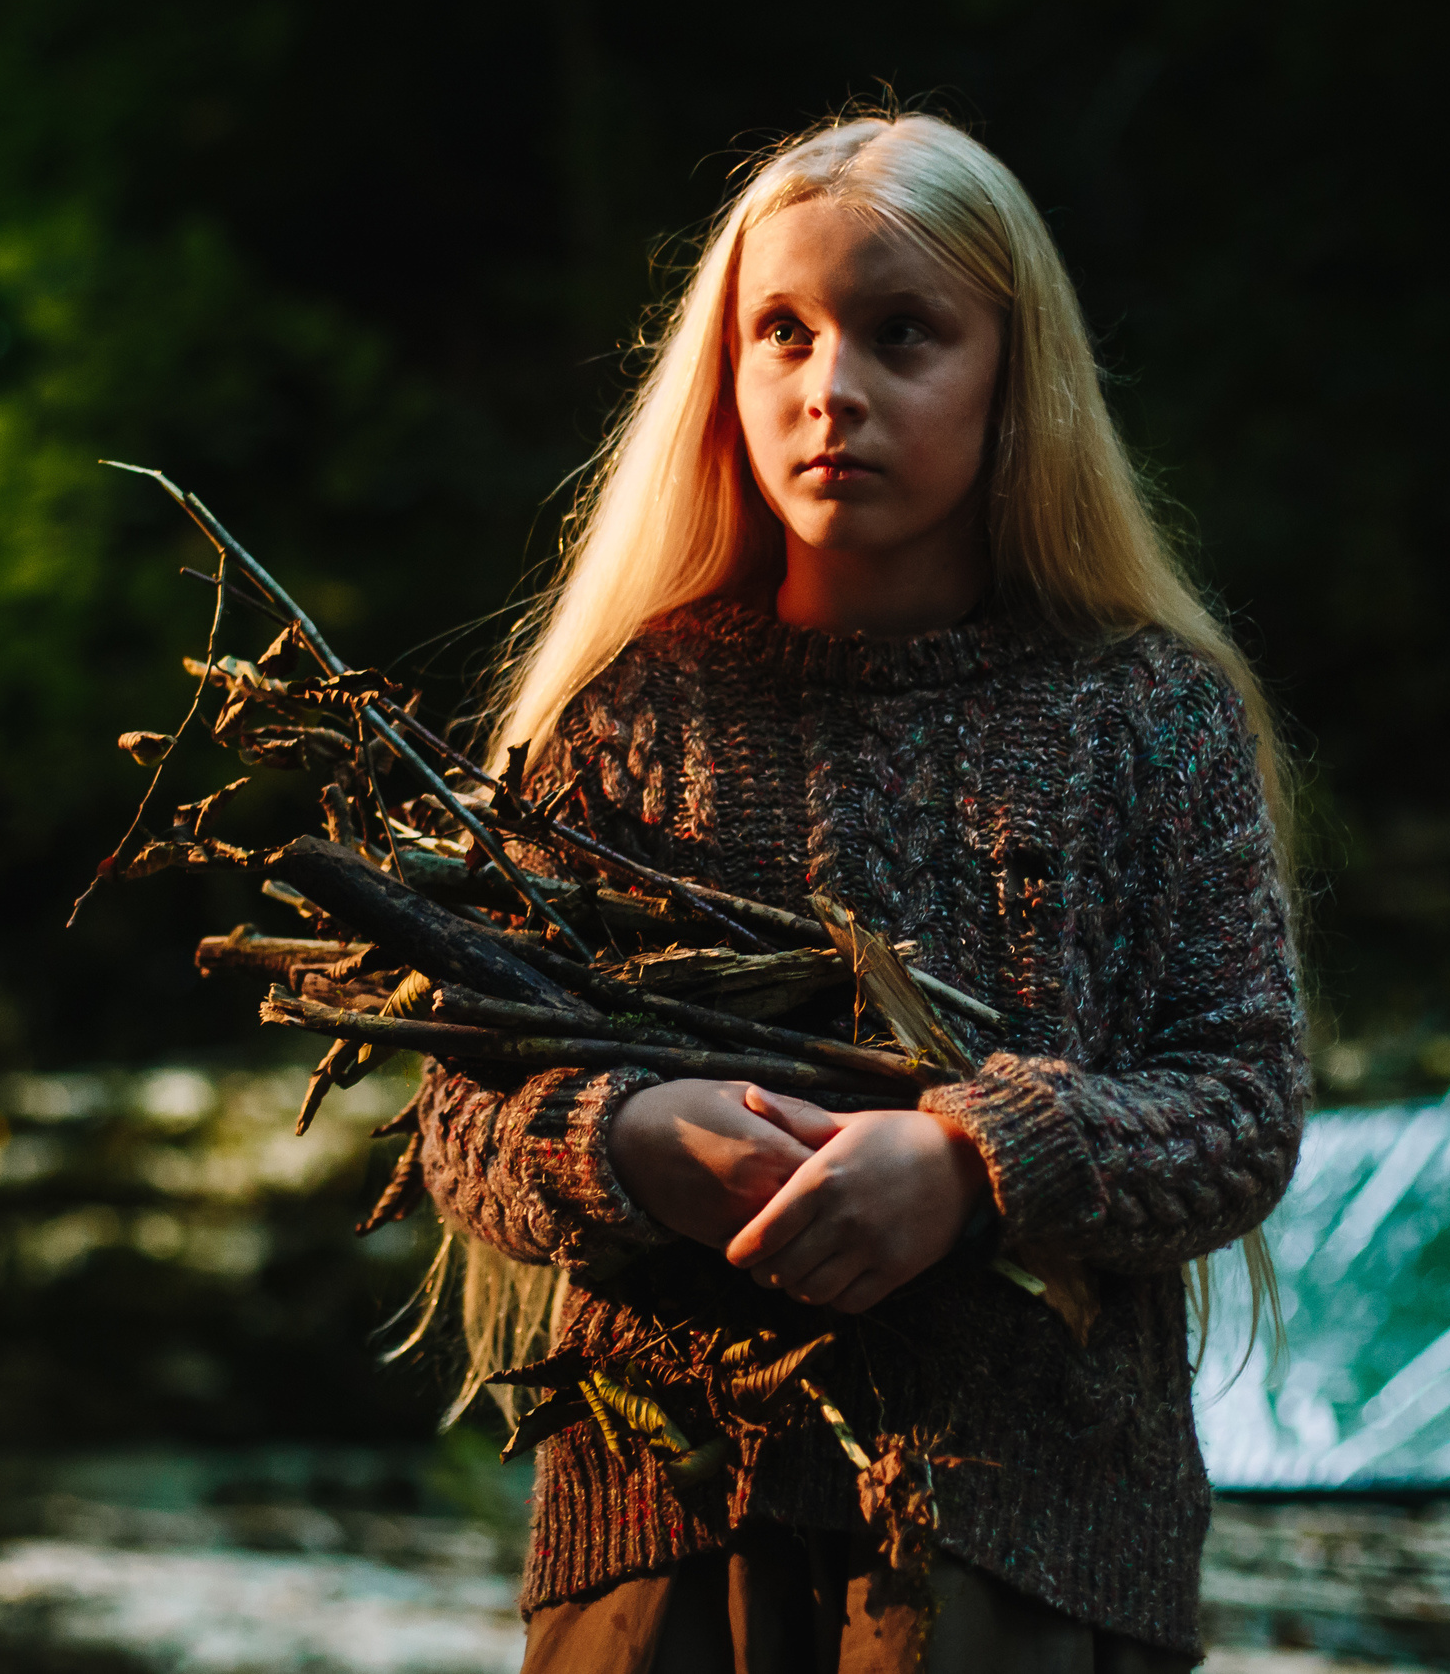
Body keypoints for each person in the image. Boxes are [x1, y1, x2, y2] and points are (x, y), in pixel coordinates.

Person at [403, 111, 1309, 1673]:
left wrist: (973, 1162)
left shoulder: (1148, 718)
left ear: (1017, 374)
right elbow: (468, 1114)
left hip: (1028, 1543)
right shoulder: (627, 719)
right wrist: (629, 1138)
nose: (834, 391)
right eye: (784, 333)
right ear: (725, 369)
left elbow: (1242, 1106)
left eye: (905, 336)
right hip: (668, 1526)